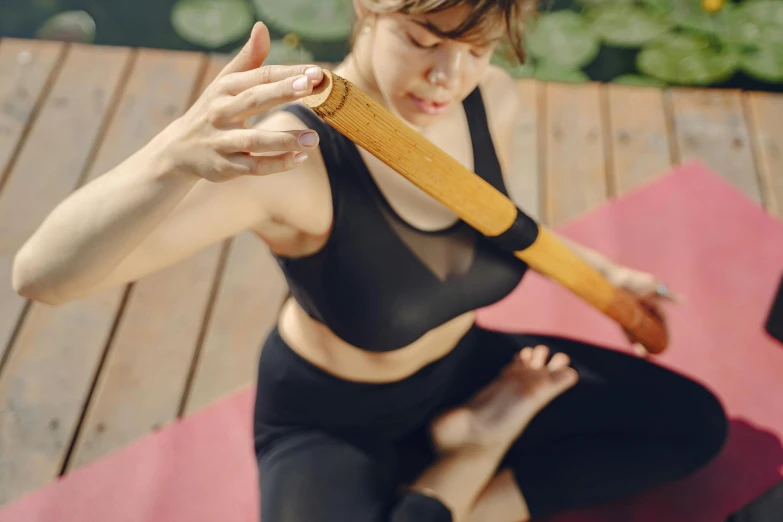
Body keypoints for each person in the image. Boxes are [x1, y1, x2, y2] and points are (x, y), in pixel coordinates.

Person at [12, 1, 728, 521]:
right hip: (332, 417)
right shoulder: (294, 157)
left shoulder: (488, 101)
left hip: (468, 371)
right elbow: (42, 277)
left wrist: (600, 271)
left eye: (475, 50)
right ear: (367, 8)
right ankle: (475, 450)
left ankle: (462, 462)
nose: (447, 76)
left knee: (693, 427)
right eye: (423, 39)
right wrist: (169, 157)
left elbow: (497, 223)